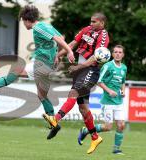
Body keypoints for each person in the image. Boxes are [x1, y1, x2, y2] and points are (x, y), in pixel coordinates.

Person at [0, 5, 74, 118]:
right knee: (41, 95)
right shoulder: (45, 25)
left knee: (17, 70)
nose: (23, 24)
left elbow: (57, 39)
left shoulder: (38, 28)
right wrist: (56, 55)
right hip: (45, 64)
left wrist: (68, 51)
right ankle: (53, 120)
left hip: (42, 63)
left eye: (23, 21)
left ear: (27, 20)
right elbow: (61, 37)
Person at [43, 12, 109, 154]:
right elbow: (73, 43)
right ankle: (95, 137)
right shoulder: (86, 30)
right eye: (91, 21)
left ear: (102, 23)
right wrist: (57, 55)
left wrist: (78, 67)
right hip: (81, 72)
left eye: (94, 22)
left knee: (73, 93)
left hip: (90, 71)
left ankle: (56, 119)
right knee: (83, 109)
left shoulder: (103, 37)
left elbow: (94, 58)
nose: (91, 24)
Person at [78, 45, 127, 154]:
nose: (118, 54)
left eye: (120, 52)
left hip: (119, 102)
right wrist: (109, 91)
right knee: (108, 127)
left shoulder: (124, 67)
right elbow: (99, 81)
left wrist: (123, 90)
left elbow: (123, 81)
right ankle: (86, 130)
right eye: (115, 52)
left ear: (123, 54)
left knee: (121, 125)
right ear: (112, 54)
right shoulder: (107, 66)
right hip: (107, 101)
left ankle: (116, 149)